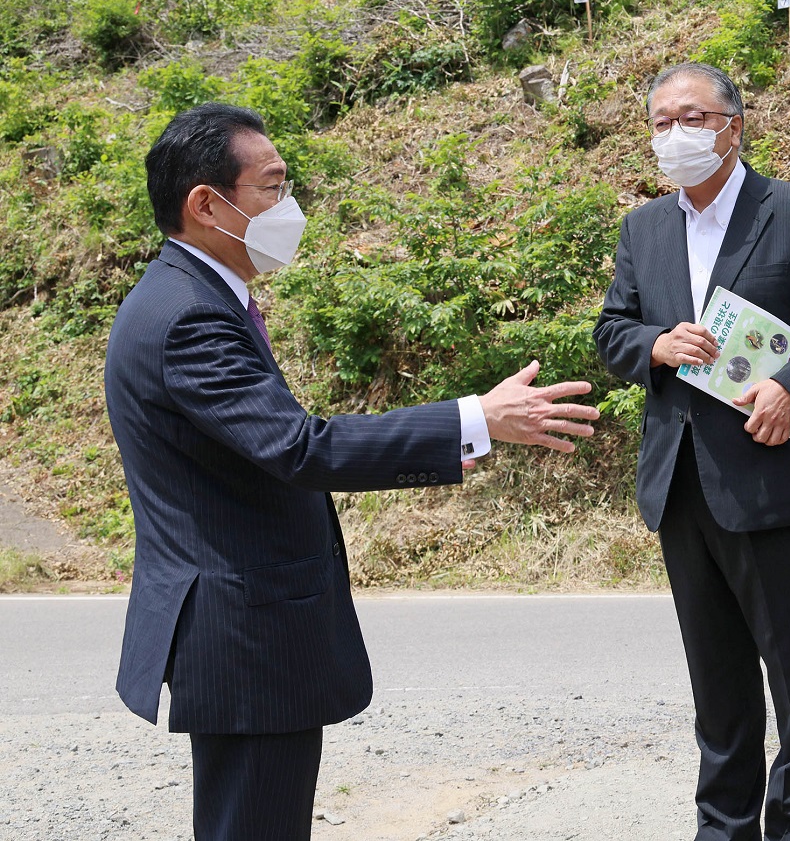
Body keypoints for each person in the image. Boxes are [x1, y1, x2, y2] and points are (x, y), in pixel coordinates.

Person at [105, 103, 601, 841]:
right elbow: (302, 449)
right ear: (206, 204)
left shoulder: (189, 294)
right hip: (246, 633)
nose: (288, 206)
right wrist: (476, 418)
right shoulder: (188, 316)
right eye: (272, 187)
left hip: (242, 627)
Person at [593, 62, 790, 841]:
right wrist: (654, 343)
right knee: (717, 686)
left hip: (774, 482)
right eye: (660, 122)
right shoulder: (645, 226)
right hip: (681, 484)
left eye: (691, 117)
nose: (674, 135)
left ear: (734, 124)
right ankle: (723, 829)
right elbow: (611, 330)